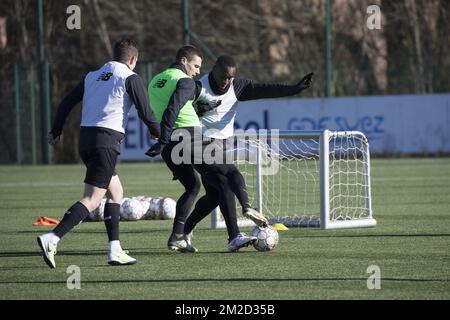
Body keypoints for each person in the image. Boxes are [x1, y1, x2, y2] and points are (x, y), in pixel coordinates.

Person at [37, 39, 161, 268]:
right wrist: (159, 133)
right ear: (133, 60)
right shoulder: (130, 77)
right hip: (106, 142)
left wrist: (56, 130)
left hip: (86, 141)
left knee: (116, 192)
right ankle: (52, 238)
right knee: (92, 199)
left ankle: (115, 250)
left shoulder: (92, 76)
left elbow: (67, 101)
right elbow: (146, 111)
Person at [183, 55, 314, 242]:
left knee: (214, 196)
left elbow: (266, 89)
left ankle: (184, 230)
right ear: (214, 70)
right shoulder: (198, 87)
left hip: (221, 144)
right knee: (226, 181)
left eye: (230, 77)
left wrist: (294, 89)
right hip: (198, 142)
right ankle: (236, 232)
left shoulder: (237, 87)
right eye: (223, 76)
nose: (226, 81)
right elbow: (176, 105)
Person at [146, 46, 259, 252]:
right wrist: (162, 137)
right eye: (196, 65)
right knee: (229, 172)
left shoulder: (155, 81)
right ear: (183, 61)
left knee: (193, 187)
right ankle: (246, 212)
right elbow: (174, 107)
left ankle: (178, 237)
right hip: (188, 138)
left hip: (170, 146)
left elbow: (152, 109)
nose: (198, 71)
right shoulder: (186, 81)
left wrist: (160, 136)